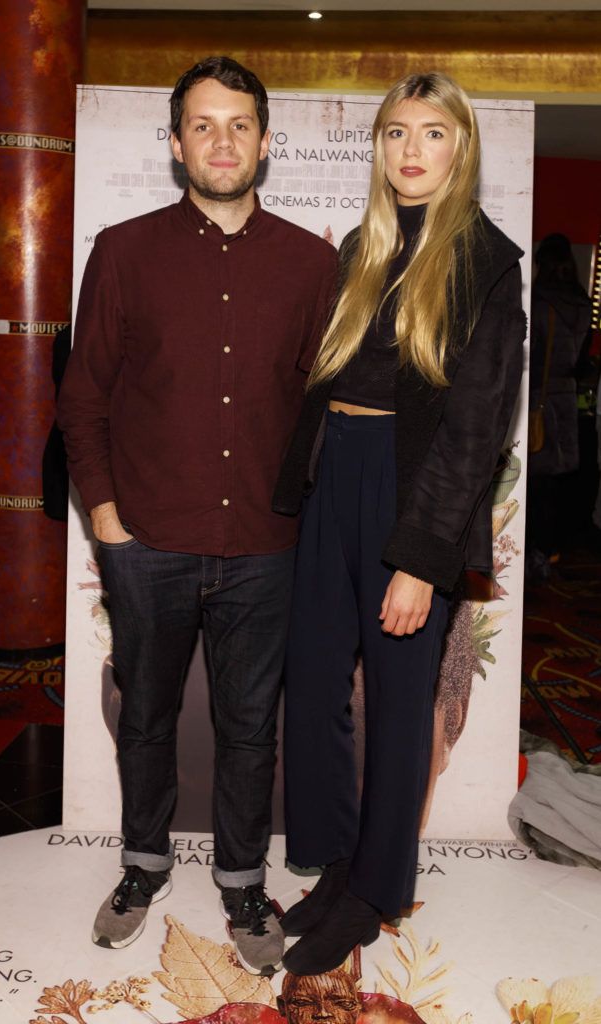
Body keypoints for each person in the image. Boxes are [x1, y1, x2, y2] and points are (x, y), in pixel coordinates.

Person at [58, 55, 337, 974]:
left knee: (251, 726)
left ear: (266, 140)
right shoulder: (125, 250)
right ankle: (142, 866)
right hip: (147, 542)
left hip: (264, 544)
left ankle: (244, 881)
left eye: (241, 124)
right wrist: (104, 514)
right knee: (145, 716)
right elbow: (83, 396)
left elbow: (322, 410)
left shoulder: (311, 262)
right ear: (176, 144)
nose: (224, 141)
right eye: (204, 125)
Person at [272, 70, 526, 975]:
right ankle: (339, 863)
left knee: (395, 700)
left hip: (409, 492)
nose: (410, 151)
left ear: (461, 150)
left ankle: (377, 891)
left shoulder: (486, 261)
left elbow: (477, 425)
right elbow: (321, 385)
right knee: (313, 683)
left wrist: (420, 559)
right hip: (334, 477)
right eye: (393, 134)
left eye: (431, 133)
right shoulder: (362, 245)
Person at [525, 233, 592, 581]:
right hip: (567, 397)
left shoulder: (539, 304)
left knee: (537, 483)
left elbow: (530, 357)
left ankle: (536, 553)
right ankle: (552, 549)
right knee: (559, 481)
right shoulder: (582, 302)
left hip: (539, 399)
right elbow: (581, 359)